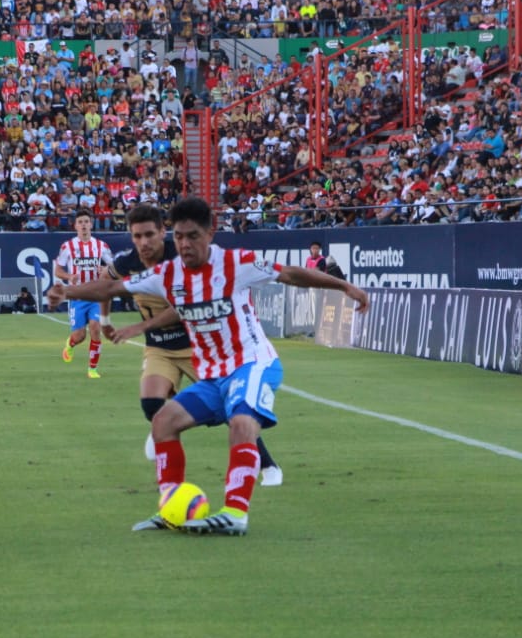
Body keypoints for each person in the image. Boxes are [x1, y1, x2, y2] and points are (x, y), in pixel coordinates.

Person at [52, 197, 370, 535]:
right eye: (179, 237)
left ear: (210, 233)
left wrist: (344, 285)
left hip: (252, 363)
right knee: (162, 423)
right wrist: (66, 291)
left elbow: (290, 273)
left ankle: (235, 512)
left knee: (241, 423)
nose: (185, 244)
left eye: (193, 236)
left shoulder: (237, 263)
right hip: (213, 373)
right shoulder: (167, 273)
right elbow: (113, 285)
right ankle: (172, 507)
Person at [102, 204, 285, 486]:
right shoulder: (128, 262)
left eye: (149, 235)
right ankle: (161, 432)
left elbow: (188, 306)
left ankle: (268, 465)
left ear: (164, 232)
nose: (143, 243)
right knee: (150, 401)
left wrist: (140, 326)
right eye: (137, 236)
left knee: (233, 410)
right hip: (159, 347)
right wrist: (103, 318)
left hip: (196, 346)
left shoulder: (183, 259)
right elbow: (105, 281)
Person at [54, 210, 114, 378]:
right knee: (79, 335)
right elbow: (58, 270)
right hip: (77, 296)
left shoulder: (101, 246)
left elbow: (114, 267)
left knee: (96, 328)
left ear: (91, 224)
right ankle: (70, 344)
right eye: (80, 222)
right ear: (75, 226)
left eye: (86, 221)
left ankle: (92, 369)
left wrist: (106, 269)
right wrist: (69, 276)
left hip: (96, 295)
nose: (84, 225)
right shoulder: (68, 247)